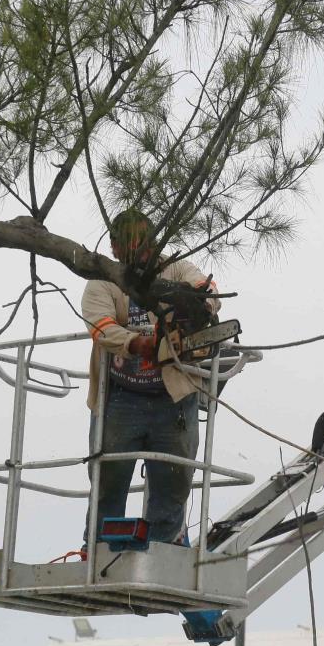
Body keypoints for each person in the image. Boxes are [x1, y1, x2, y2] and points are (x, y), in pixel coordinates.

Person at [81, 209, 221, 547]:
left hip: (173, 398)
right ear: (115, 248)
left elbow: (209, 290)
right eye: (131, 249)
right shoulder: (102, 281)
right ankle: (99, 550)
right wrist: (139, 344)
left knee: (175, 481)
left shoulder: (175, 268)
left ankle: (164, 547)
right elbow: (101, 327)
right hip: (119, 398)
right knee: (107, 479)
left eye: (145, 247)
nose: (141, 256)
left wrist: (194, 303)